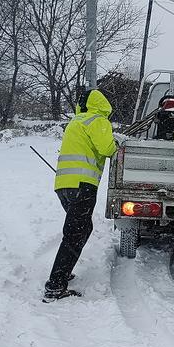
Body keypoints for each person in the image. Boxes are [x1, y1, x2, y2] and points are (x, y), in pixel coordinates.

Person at [44, 88, 117, 302]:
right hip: (83, 185)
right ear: (102, 103)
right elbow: (107, 148)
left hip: (64, 185)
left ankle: (63, 272)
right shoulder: (98, 120)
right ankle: (56, 285)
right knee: (75, 233)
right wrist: (116, 142)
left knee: (82, 228)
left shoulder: (76, 121)